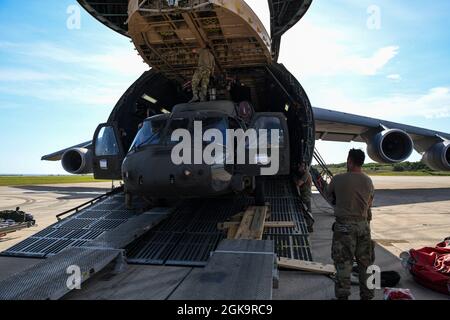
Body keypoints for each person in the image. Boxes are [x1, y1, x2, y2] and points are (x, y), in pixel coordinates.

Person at [326, 149, 375, 300]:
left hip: (344, 227)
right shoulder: (368, 181)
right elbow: (369, 203)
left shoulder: (338, 179)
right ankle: (368, 295)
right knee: (366, 264)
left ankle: (343, 296)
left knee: (343, 265)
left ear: (350, 161)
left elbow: (329, 195)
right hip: (363, 226)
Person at [294, 163, 314, 232]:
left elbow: (299, 183)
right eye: (299, 166)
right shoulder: (304, 173)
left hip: (306, 195)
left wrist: (295, 179)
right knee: (306, 210)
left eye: (302, 166)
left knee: (308, 211)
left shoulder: (306, 174)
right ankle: (309, 226)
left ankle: (310, 226)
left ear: (305, 167)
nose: (299, 167)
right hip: (304, 195)